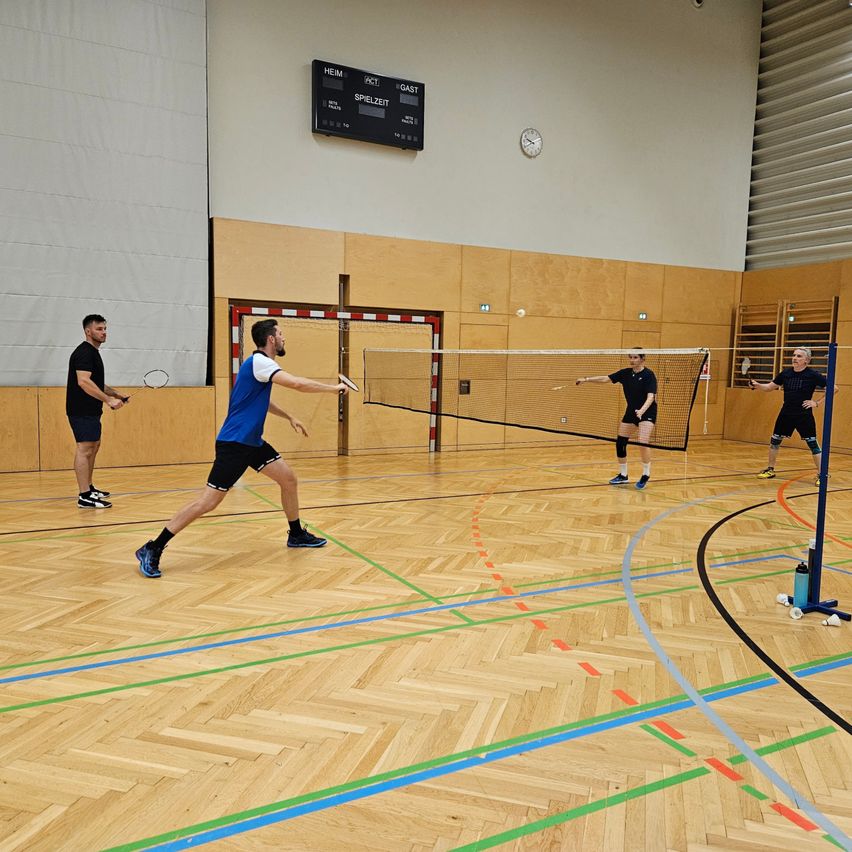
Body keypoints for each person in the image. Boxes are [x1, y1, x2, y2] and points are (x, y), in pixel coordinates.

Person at [135, 319, 348, 578]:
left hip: (252, 442)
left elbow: (259, 401)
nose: (283, 338)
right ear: (271, 339)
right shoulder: (261, 362)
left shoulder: (258, 367)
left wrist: (289, 416)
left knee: (288, 479)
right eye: (281, 334)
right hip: (234, 443)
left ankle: (296, 533)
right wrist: (333, 388)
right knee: (208, 502)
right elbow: (297, 384)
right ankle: (152, 547)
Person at [749, 346, 838, 485]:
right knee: (774, 442)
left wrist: (817, 402)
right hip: (786, 413)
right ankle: (770, 469)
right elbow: (769, 388)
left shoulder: (813, 375)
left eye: (799, 356)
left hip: (804, 414)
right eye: (794, 355)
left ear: (806, 360)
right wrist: (757, 385)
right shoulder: (785, 373)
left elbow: (834, 389)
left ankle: (822, 475)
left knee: (813, 445)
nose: (795, 358)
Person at [66, 314, 126, 508]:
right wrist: (108, 400)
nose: (104, 332)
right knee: (84, 449)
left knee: (94, 446)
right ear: (88, 331)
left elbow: (95, 382)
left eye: (105, 329)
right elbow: (83, 381)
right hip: (81, 410)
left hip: (91, 410)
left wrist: (115, 393)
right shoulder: (84, 352)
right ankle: (84, 496)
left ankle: (89, 488)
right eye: (99, 329)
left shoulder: (93, 353)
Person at [576, 349, 657, 489]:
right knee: (620, 442)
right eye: (630, 357)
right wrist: (586, 379)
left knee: (643, 442)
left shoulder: (649, 375)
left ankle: (646, 474)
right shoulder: (625, 373)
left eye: (635, 357)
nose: (632, 360)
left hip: (647, 412)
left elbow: (651, 396)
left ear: (643, 359)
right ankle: (623, 475)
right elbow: (606, 379)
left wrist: (642, 411)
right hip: (631, 412)